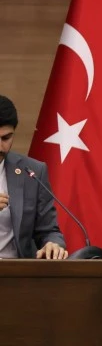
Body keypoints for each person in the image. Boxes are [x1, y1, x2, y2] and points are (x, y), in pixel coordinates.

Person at [0, 95, 67, 259]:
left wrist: (52, 244)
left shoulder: (32, 171)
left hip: (16, 270)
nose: (0, 147)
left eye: (6, 138)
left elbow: (48, 230)